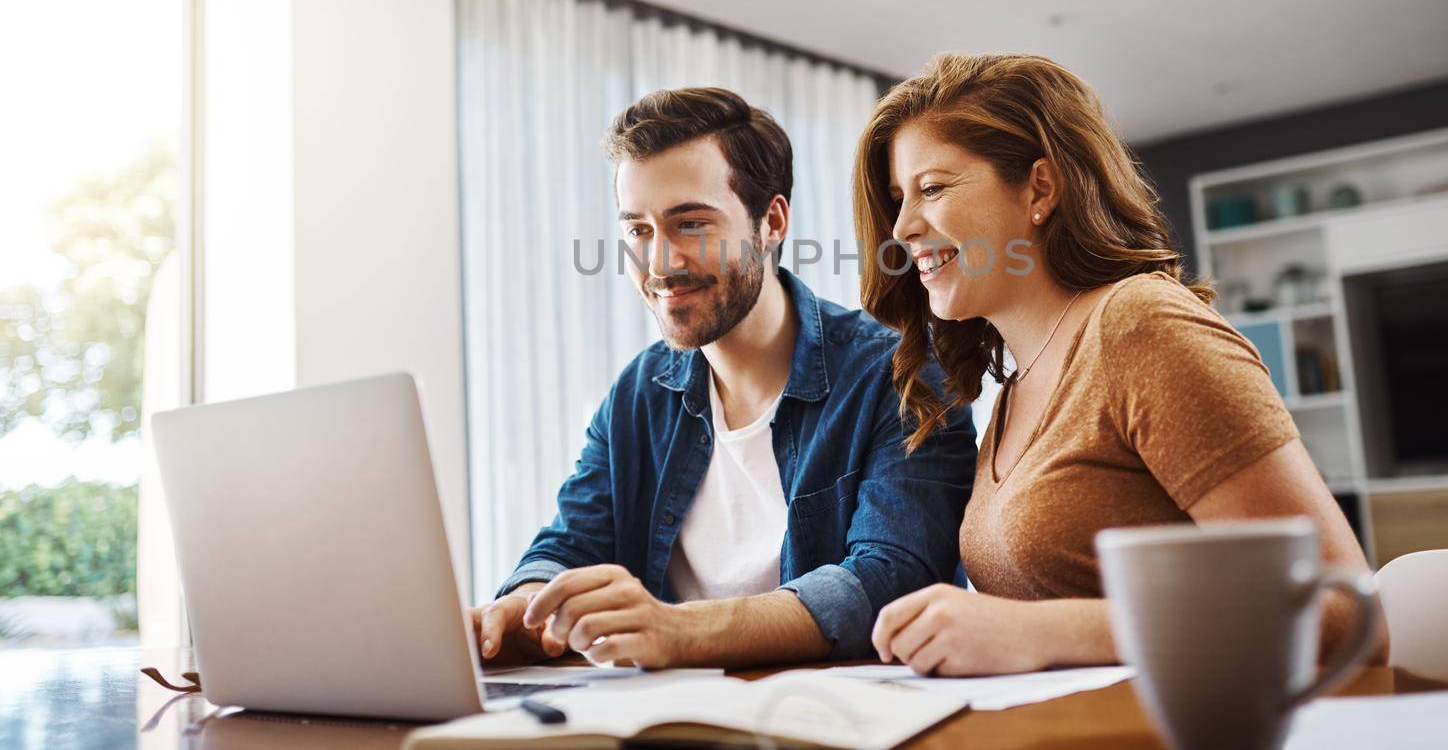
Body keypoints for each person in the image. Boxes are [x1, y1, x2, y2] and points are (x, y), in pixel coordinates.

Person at [853, 53, 1383, 676]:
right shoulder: (1017, 386)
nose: (905, 226)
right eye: (897, 200)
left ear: (1039, 189)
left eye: (932, 188)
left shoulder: (1141, 325)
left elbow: (1341, 613)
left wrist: (1042, 631)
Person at [471, 86, 976, 669]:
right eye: (638, 229)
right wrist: (521, 607)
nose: (660, 263)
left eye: (690, 224)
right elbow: (571, 544)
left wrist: (679, 630)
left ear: (772, 222)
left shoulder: (898, 377)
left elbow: (891, 581)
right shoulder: (640, 393)